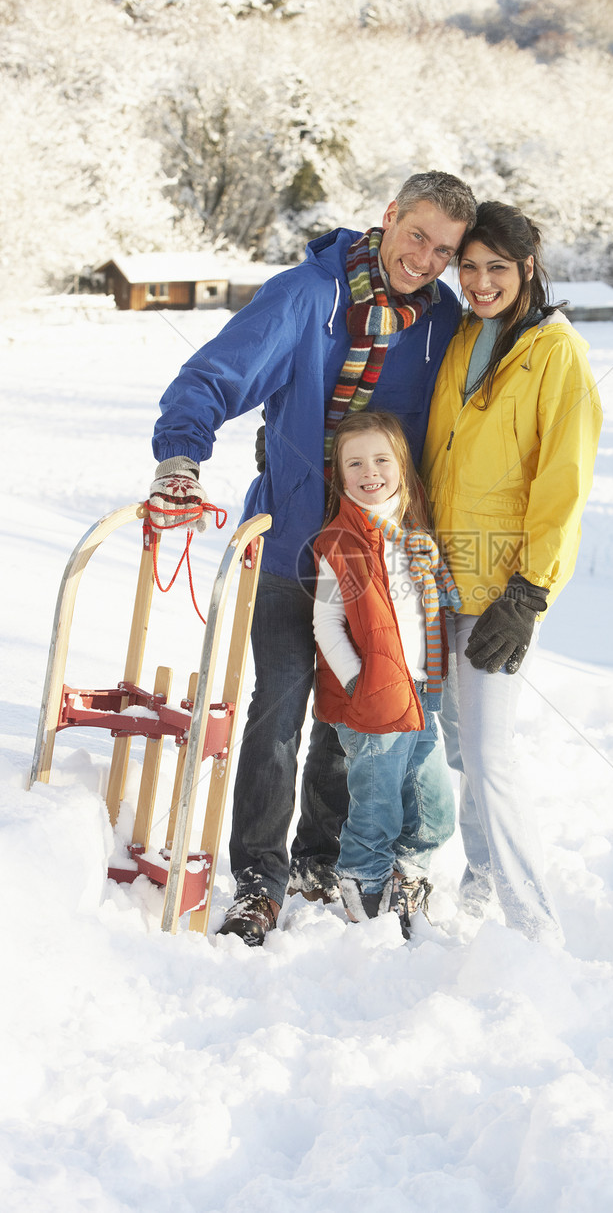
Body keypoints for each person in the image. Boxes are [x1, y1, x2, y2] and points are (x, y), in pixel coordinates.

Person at [148, 171, 477, 945]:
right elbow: (215, 375)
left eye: (445, 250)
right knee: (278, 714)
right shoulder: (309, 294)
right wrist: (179, 462)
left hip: (376, 562)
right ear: (389, 217)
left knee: (350, 714)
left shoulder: (442, 322)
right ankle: (258, 880)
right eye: (417, 236)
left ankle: (317, 862)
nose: (426, 259)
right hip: (295, 545)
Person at [420, 201, 603, 943]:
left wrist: (529, 593)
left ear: (528, 266)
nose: (481, 281)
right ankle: (481, 880)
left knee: (491, 755)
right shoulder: (464, 335)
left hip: (501, 588)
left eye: (497, 267)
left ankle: (536, 926)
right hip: (440, 576)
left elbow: (564, 483)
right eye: (469, 266)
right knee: (460, 748)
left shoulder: (557, 354)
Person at [312, 411, 460, 937]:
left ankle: (408, 869)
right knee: (376, 804)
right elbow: (326, 622)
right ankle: (363, 881)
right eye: (355, 462)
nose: (369, 471)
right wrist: (358, 682)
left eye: (381, 459)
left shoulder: (414, 535)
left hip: (418, 691)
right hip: (372, 699)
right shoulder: (341, 540)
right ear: (340, 473)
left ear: (402, 465)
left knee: (433, 802)